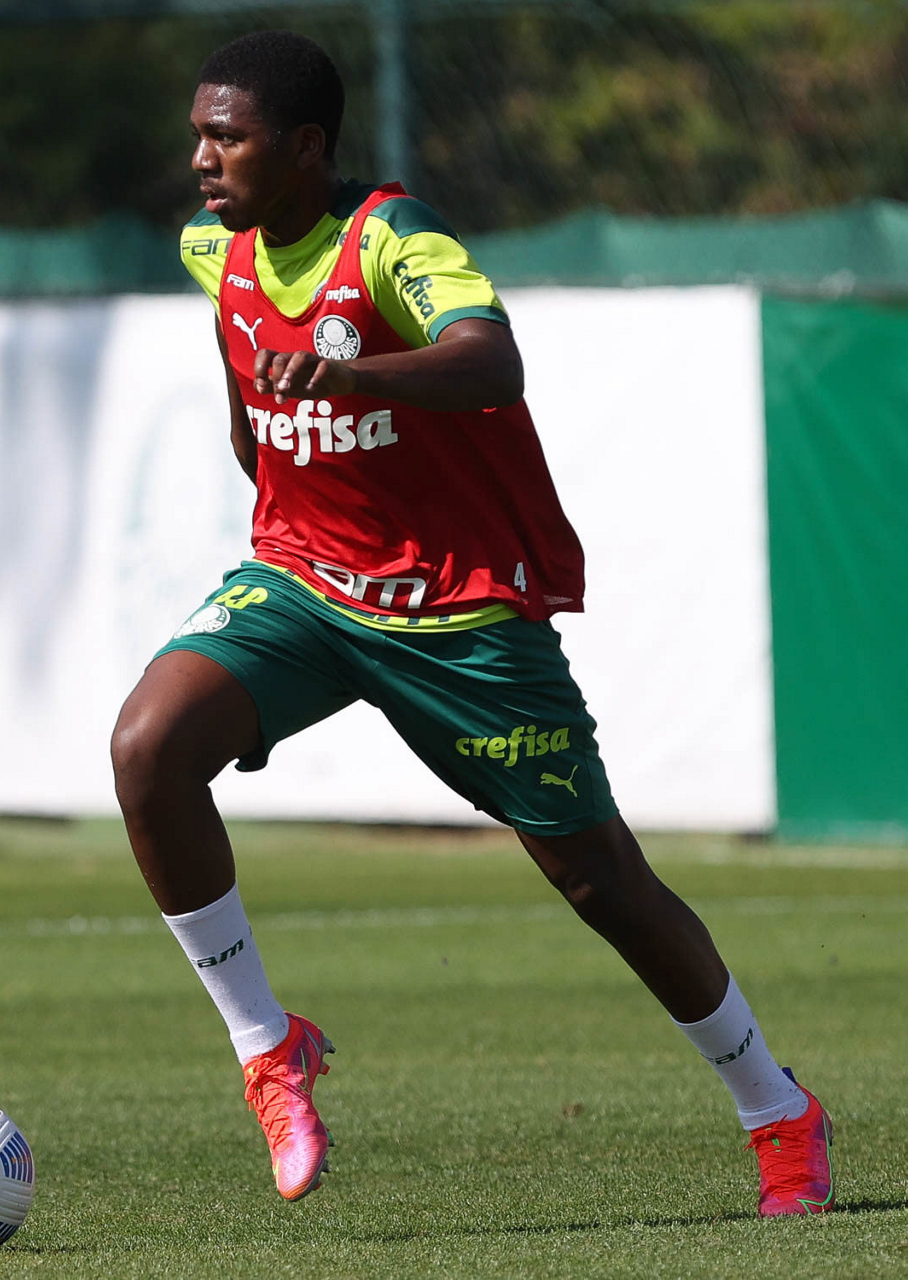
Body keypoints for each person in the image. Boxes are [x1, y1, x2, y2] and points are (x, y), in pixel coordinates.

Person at [111, 30, 833, 1215]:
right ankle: (268, 1047)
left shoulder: (391, 238)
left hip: (454, 608)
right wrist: (282, 471)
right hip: (303, 581)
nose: (201, 157)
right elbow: (250, 396)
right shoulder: (213, 246)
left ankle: (779, 1111)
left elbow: (491, 361)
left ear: (305, 146)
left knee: (602, 881)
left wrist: (356, 376)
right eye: (198, 134)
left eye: (226, 136)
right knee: (148, 748)